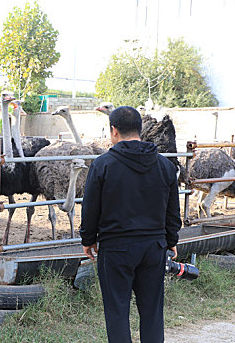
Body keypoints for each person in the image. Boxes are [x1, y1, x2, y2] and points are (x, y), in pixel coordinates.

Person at [79, 106, 182, 343]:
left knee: (117, 312)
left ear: (113, 130)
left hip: (116, 248)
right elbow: (172, 211)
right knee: (152, 313)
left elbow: (90, 207)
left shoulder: (103, 165)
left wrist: (88, 240)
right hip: (153, 248)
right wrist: (171, 240)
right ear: (140, 129)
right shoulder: (165, 166)